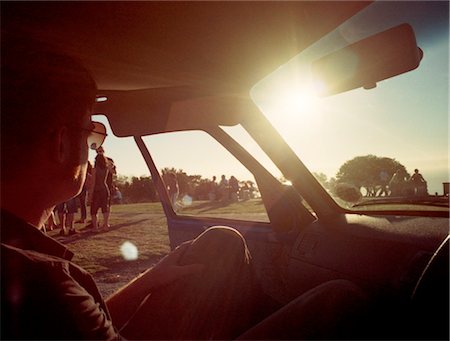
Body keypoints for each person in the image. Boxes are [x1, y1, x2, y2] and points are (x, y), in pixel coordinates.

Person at [1, 34, 370, 340]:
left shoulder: (31, 271)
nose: (97, 146)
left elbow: (85, 324)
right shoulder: (45, 284)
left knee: (221, 242)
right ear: (61, 144)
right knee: (338, 300)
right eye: (91, 132)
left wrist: (150, 278)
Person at [91, 153, 111, 230]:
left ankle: (95, 227)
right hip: (105, 189)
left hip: (97, 190)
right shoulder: (106, 169)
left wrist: (91, 194)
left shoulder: (94, 169)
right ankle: (106, 225)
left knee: (94, 210)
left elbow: (93, 182)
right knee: (105, 208)